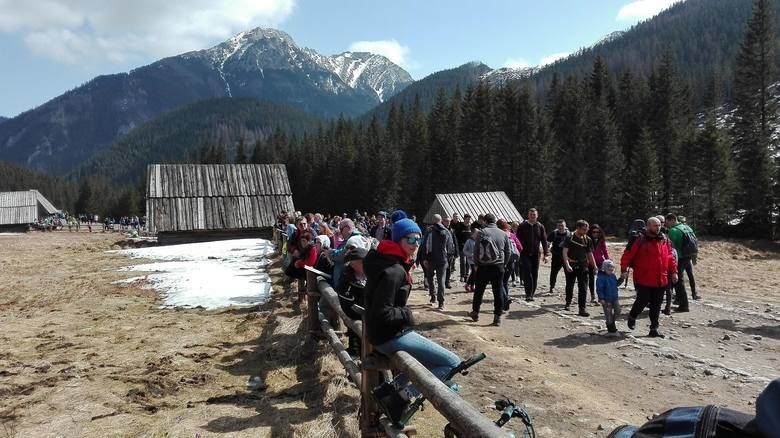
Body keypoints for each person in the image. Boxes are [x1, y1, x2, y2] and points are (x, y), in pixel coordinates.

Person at [364, 218, 462, 423]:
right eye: (410, 238)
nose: (416, 243)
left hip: (381, 333)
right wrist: (408, 314)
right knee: (452, 363)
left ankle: (388, 390)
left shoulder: (386, 260)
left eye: (418, 239)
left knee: (427, 361)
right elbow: (383, 312)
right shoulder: (394, 271)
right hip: (388, 335)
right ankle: (400, 397)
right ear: (399, 239)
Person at [620, 217, 678, 338]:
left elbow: (670, 257)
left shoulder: (664, 240)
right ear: (648, 226)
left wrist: (674, 272)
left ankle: (654, 329)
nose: (658, 228)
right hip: (643, 278)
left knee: (656, 305)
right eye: (655, 226)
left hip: (661, 279)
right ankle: (633, 315)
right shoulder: (639, 239)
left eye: (659, 225)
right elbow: (627, 255)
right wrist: (624, 270)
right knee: (642, 301)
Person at [468, 213, 511, 326]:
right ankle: (497, 317)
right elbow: (508, 251)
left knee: (479, 291)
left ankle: (475, 312)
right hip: (498, 266)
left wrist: (476, 264)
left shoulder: (482, 232)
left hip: (483, 266)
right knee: (498, 292)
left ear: (485, 221)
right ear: (495, 221)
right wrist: (504, 263)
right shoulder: (503, 233)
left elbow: (476, 250)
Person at [337, 246, 368, 357]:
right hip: (357, 317)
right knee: (357, 343)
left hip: (370, 316)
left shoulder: (370, 274)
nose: (364, 264)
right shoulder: (347, 277)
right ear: (353, 263)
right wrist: (362, 314)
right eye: (361, 262)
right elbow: (346, 302)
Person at [563, 220, 597, 317]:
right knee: (569, 285)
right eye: (584, 229)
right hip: (571, 265)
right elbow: (565, 252)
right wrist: (567, 265)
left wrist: (594, 266)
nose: (586, 230)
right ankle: (568, 303)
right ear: (578, 228)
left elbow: (590, 254)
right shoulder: (569, 237)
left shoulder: (588, 239)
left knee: (583, 288)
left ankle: (582, 309)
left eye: (587, 228)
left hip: (583, 265)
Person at [516, 208, 549, 301]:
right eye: (531, 214)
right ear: (528, 215)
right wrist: (518, 252)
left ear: (537, 216)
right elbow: (517, 240)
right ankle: (528, 294)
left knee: (534, 273)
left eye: (534, 215)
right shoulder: (522, 226)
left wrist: (546, 254)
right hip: (524, 253)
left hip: (536, 254)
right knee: (527, 272)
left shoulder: (540, 226)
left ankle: (532, 294)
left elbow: (544, 241)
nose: (532, 216)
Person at [666, 213, 698, 310]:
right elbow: (695, 242)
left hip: (678, 258)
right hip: (688, 256)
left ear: (672, 220)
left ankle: (684, 305)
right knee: (683, 279)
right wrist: (694, 258)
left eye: (666, 221)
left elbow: (669, 247)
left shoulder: (673, 231)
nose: (666, 224)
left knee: (678, 281)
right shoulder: (687, 227)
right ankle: (680, 300)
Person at [423, 214, 455, 310]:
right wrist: (448, 258)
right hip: (443, 259)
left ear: (433, 220)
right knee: (441, 281)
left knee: (430, 277)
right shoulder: (446, 231)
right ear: (441, 221)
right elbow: (450, 247)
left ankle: (433, 296)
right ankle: (441, 303)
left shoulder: (429, 230)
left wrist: (424, 258)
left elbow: (425, 245)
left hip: (431, 259)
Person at [498, 219, 522, 311]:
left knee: (499, 283)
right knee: (505, 283)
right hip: (511, 262)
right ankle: (505, 301)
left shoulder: (499, 235)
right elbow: (520, 247)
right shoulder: (512, 235)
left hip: (501, 262)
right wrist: (515, 257)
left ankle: (505, 300)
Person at [587, 224, 611, 304]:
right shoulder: (587, 239)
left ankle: (601, 297)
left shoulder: (601, 240)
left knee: (601, 279)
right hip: (589, 262)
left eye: (597, 232)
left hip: (600, 262)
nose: (596, 233)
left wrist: (608, 260)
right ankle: (593, 296)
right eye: (594, 232)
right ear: (591, 232)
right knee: (591, 279)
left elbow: (605, 250)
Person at [597, 260, 620, 334]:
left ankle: (612, 323)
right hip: (606, 300)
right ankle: (611, 328)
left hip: (614, 297)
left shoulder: (613, 276)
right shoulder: (600, 278)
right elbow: (599, 289)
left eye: (612, 270)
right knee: (608, 314)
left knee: (618, 310)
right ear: (604, 269)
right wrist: (601, 298)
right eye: (609, 270)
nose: (611, 271)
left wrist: (622, 278)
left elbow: (616, 284)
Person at [547, 219, 570, 294]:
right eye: (559, 226)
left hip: (566, 257)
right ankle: (552, 287)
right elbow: (548, 242)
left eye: (562, 226)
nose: (560, 227)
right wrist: (547, 253)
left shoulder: (569, 234)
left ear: (565, 226)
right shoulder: (554, 233)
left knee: (568, 273)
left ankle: (568, 288)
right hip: (556, 256)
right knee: (554, 273)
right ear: (557, 226)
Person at [453, 214, 472, 282]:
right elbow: (456, 238)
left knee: (468, 262)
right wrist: (457, 247)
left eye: (469, 220)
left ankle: (466, 275)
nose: (468, 221)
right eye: (467, 219)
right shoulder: (460, 227)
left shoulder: (470, 227)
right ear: (464, 219)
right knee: (463, 262)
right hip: (462, 247)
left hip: (469, 248)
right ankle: (462, 275)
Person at [441, 215, 459, 289]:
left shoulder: (451, 230)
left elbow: (455, 241)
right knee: (442, 268)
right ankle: (441, 282)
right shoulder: (440, 230)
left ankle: (447, 282)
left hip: (450, 252)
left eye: (449, 221)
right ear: (443, 221)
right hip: (442, 252)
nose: (448, 223)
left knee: (449, 268)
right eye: (446, 221)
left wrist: (456, 252)